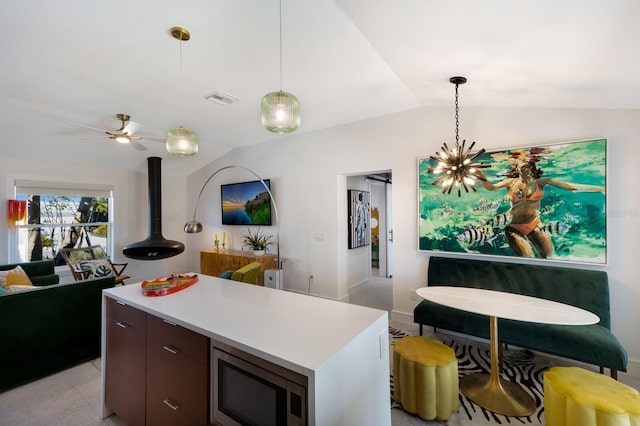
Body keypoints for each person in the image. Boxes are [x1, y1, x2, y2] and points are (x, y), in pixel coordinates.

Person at [476, 159, 604, 258]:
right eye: (521, 161)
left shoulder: (541, 182)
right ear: (516, 166)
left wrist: (600, 188)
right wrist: (480, 174)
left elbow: (570, 186)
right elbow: (490, 187)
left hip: (535, 224)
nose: (524, 162)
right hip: (513, 227)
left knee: (548, 255)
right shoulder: (511, 182)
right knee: (528, 257)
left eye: (527, 162)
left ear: (532, 166)